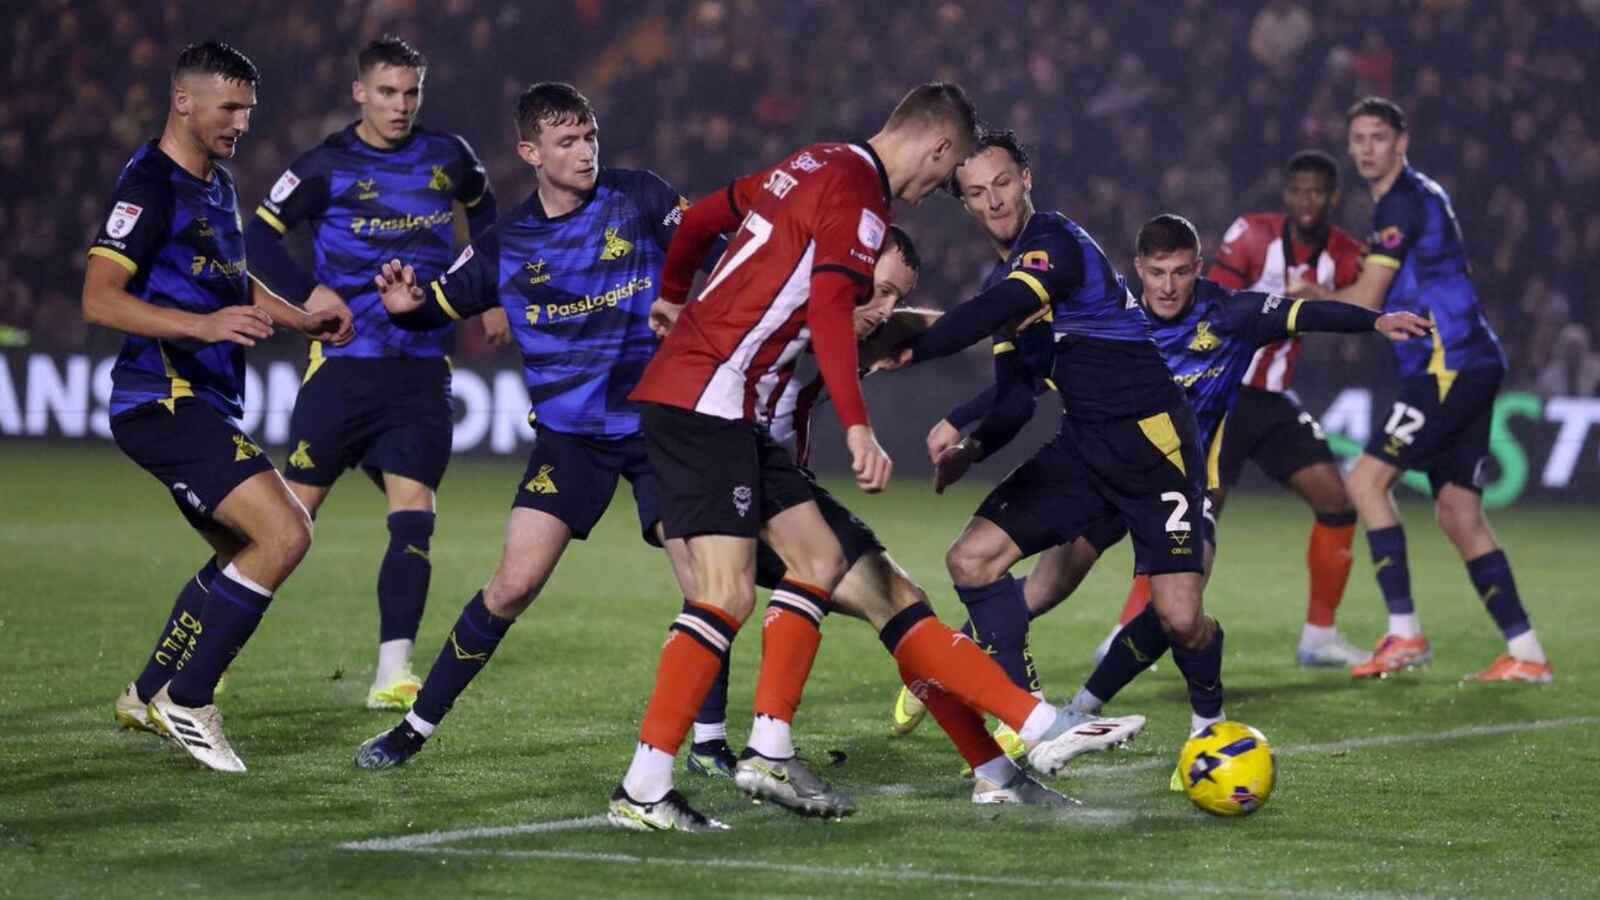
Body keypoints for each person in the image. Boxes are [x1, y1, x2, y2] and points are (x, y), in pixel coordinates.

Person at [608, 87, 1125, 833]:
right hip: (706, 409)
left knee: (879, 587)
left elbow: (701, 223)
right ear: (940, 150)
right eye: (872, 288)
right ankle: (656, 782)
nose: (876, 306)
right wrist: (857, 427)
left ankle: (1005, 751)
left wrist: (672, 293)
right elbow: (827, 311)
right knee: (726, 594)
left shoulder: (811, 167)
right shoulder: (854, 204)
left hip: (732, 431)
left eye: (889, 296)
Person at [352, 82, 708, 768]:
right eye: (567, 142)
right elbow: (438, 304)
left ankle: (712, 743)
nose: (585, 152)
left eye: (590, 136)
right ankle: (413, 730)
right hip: (571, 440)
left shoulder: (640, 196)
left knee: (704, 587)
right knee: (512, 586)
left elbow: (708, 252)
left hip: (659, 427)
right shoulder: (507, 244)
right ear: (531, 153)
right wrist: (406, 307)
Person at [1005, 216, 1426, 783]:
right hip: (1104, 479)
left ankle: (1175, 722)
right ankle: (952, 660)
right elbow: (1028, 364)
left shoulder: (1228, 314)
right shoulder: (1109, 316)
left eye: (1181, 272)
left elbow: (1307, 314)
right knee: (1040, 591)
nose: (1168, 286)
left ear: (1198, 268)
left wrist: (1376, 321)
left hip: (1179, 487)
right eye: (1157, 273)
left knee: (1180, 614)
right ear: (1138, 269)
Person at [900, 129, 1231, 752]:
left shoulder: (1055, 243)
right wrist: (973, 447)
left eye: (1003, 182)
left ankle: (1210, 727)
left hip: (1152, 448)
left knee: (1181, 618)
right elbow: (1017, 395)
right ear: (964, 203)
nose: (994, 200)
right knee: (972, 559)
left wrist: (907, 346)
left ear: (1026, 178)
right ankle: (1030, 718)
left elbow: (985, 313)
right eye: (977, 192)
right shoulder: (1003, 279)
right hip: (1084, 446)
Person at [92, 41, 353, 772]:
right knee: (286, 533)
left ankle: (148, 692)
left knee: (244, 549)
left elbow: (234, 279)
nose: (242, 122)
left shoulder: (217, 183)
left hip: (202, 399)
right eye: (230, 107)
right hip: (160, 397)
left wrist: (301, 318)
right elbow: (100, 298)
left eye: (248, 109)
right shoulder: (150, 185)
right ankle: (191, 698)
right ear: (184, 102)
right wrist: (202, 327)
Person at [244, 36, 499, 709]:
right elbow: (257, 236)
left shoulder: (450, 156)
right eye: (387, 92)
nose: (401, 105)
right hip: (344, 367)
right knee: (285, 527)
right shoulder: (324, 165)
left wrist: (490, 292)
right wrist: (309, 293)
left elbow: (486, 211)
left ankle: (392, 674)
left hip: (420, 367)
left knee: (414, 517)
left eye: (411, 92)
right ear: (361, 93)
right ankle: (195, 660)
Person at [1289, 97, 1553, 682]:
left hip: (1447, 365)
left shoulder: (1403, 201)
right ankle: (1528, 653)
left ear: (1402, 142)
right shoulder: (1409, 201)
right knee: (1459, 512)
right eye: (1358, 138)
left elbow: (1369, 300)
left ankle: (1405, 633)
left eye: (1378, 137)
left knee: (1365, 481)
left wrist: (1307, 300)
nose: (1367, 148)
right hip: (1467, 361)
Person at [1146, 150, 1370, 668]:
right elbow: (1209, 305)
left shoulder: (1345, 252)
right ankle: (1130, 632)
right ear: (1286, 195)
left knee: (1337, 502)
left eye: (1317, 192)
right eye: (1298, 191)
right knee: (1192, 514)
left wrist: (1330, 295)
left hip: (1271, 400)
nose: (1306, 200)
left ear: (1333, 199)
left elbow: (1369, 295)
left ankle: (1320, 637)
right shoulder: (1252, 235)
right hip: (1224, 392)